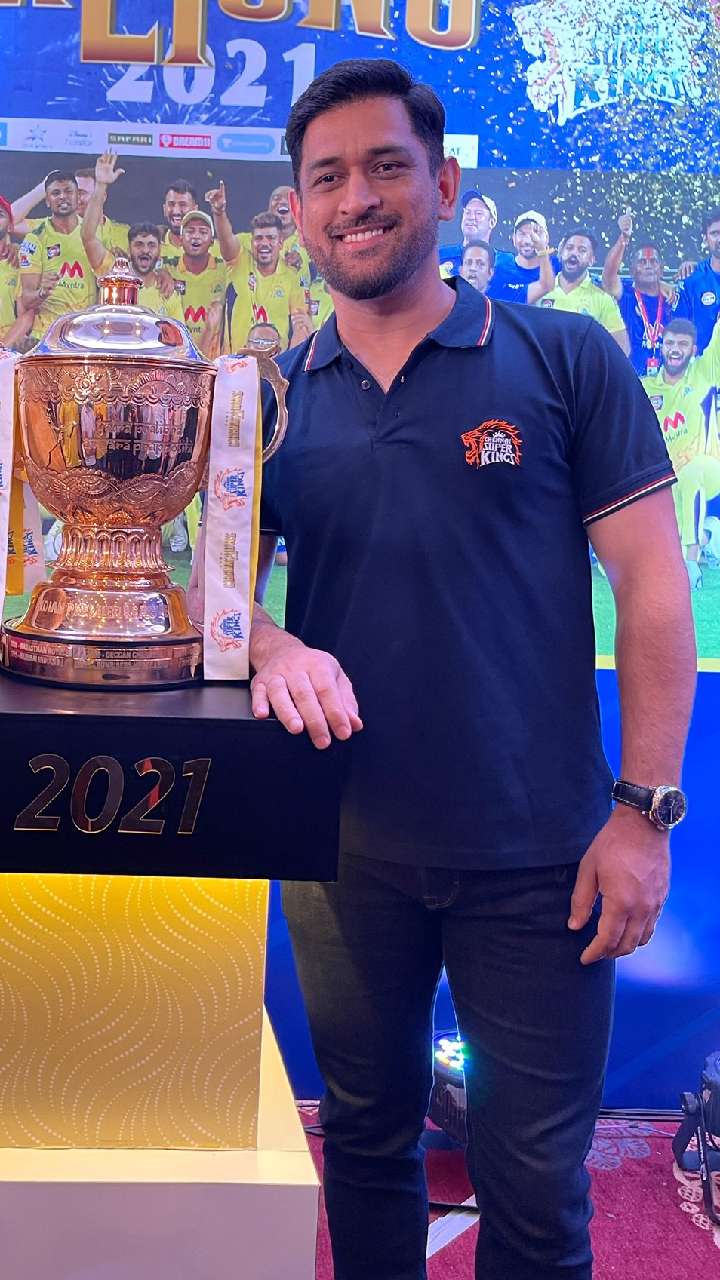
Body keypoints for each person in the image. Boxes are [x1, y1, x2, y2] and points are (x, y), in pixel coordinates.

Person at [247, 58, 695, 1280]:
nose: (356, 198)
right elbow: (218, 596)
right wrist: (272, 641)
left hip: (545, 860)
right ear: (299, 210)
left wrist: (644, 815)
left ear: (442, 185)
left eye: (385, 166)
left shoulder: (564, 359)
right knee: (366, 1142)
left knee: (537, 1188)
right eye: (327, 177)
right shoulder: (271, 398)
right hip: (343, 851)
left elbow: (654, 589)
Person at [640, 317, 720, 588]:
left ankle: (691, 563)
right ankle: (710, 535)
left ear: (693, 349)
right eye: (670, 343)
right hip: (667, 479)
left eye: (683, 344)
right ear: (662, 346)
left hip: (708, 467)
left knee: (692, 471)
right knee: (655, 543)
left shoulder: (705, 372)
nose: (675, 349)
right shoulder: (645, 386)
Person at [80, 154, 184, 322]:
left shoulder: (167, 290)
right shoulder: (113, 273)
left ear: (160, 251)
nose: (145, 250)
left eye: (151, 245)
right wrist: (100, 185)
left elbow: (177, 336)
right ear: (128, 249)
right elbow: (88, 237)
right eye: (139, 245)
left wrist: (163, 273)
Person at [205, 188, 310, 351]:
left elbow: (300, 327)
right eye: (259, 238)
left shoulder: (291, 277)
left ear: (280, 242)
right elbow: (226, 240)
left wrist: (287, 363)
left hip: (275, 364)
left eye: (271, 238)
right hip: (236, 361)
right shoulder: (238, 263)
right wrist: (219, 212)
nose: (264, 243)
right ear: (251, 240)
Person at [18, 170, 96, 342]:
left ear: (78, 197)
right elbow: (27, 300)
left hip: (85, 336)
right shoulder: (34, 239)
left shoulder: (94, 233)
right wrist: (42, 292)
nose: (62, 197)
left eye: (68, 191)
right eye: (55, 193)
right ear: (47, 201)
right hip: (46, 336)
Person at [601, 212, 676, 376]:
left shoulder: (672, 298)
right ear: (632, 270)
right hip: (630, 379)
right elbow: (608, 276)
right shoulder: (626, 294)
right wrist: (623, 239)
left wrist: (690, 265)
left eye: (653, 261)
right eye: (642, 262)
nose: (648, 266)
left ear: (661, 269)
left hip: (666, 382)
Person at [539, 229, 628, 350]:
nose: (574, 253)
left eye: (582, 250)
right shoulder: (540, 291)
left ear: (591, 260)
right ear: (561, 253)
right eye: (569, 248)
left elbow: (622, 348)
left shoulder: (603, 299)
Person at [163, 209, 227, 357]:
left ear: (212, 241)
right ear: (180, 239)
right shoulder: (167, 268)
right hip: (176, 359)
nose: (196, 236)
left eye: (203, 232)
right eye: (190, 231)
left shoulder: (224, 271)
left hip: (214, 361)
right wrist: (161, 272)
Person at [674, 207, 720, 355]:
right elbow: (679, 330)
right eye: (715, 233)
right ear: (705, 239)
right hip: (703, 365)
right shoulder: (692, 280)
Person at [486, 210, 558, 303]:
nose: (527, 240)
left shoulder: (557, 268)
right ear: (514, 238)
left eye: (536, 233)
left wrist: (542, 250)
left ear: (546, 238)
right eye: (522, 234)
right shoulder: (498, 266)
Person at [439, 189, 498, 278]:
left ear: (492, 222)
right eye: (467, 212)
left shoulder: (504, 263)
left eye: (478, 213)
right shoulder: (440, 256)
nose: (471, 217)